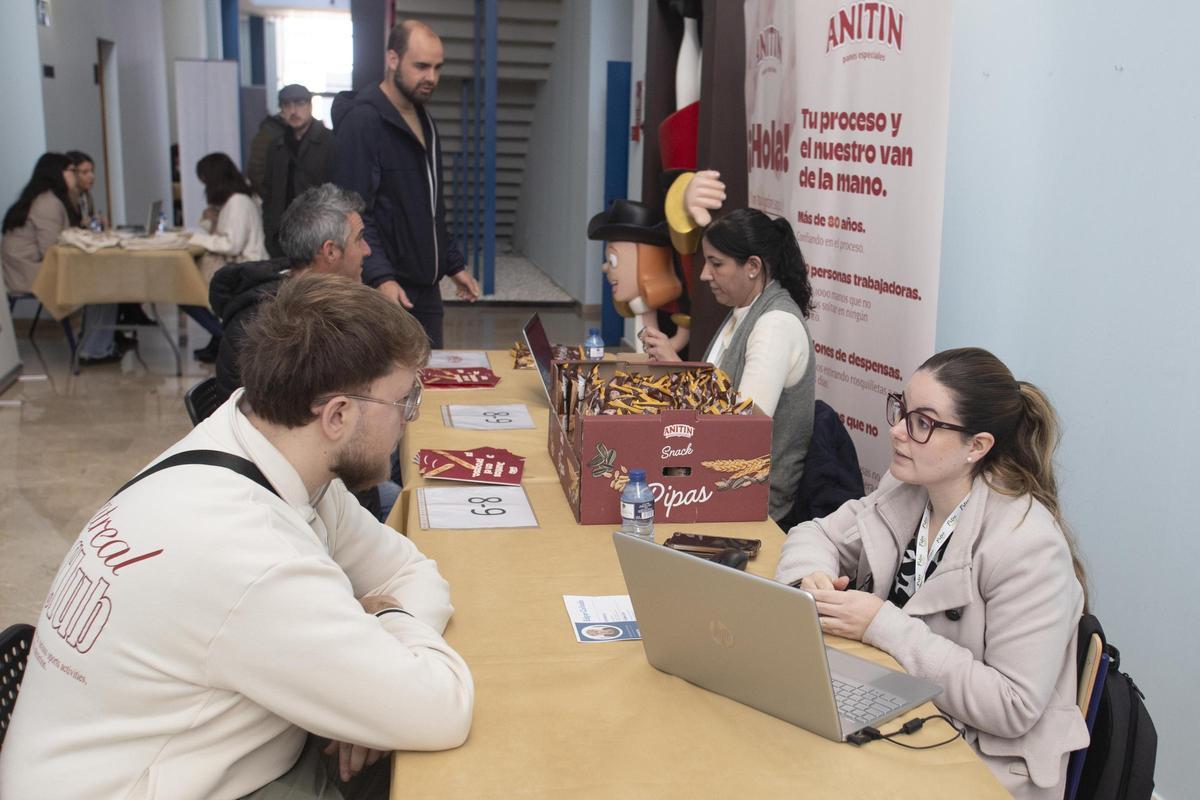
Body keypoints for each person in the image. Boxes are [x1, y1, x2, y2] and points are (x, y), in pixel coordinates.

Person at [0, 274, 475, 800]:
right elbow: (442, 709)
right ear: (337, 415)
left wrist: (378, 686)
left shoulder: (264, 447)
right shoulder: (250, 551)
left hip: (174, 754)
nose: (409, 419)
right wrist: (385, 637)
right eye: (404, 401)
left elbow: (409, 570)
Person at [775, 347, 1090, 799]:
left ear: (977, 447)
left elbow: (1013, 705)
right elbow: (816, 534)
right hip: (902, 708)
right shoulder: (910, 486)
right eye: (902, 410)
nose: (897, 431)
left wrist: (880, 624)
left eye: (923, 423)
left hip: (982, 763)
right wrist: (811, 577)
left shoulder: (1029, 547)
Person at [642, 203, 815, 522]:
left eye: (716, 264)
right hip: (723, 480)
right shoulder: (746, 310)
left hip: (754, 500)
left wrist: (679, 372)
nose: (704, 274)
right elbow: (720, 400)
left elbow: (740, 430)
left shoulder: (774, 325)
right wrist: (676, 366)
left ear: (753, 266)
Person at [332, 19, 480, 348]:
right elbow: (352, 213)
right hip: (386, 290)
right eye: (422, 66)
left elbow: (431, 207)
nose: (432, 77)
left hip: (425, 289)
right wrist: (381, 277)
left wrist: (452, 263)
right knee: (393, 379)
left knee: (431, 374)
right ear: (393, 59)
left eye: (437, 68)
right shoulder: (363, 121)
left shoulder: (423, 117)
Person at [2, 153, 124, 365]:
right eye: (72, 171)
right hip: (30, 275)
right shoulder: (47, 203)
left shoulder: (47, 199)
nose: (76, 175)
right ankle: (94, 349)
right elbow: (53, 250)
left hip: (29, 269)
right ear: (57, 173)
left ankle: (96, 344)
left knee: (105, 278)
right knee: (105, 283)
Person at [189, 152, 268, 362]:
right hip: (242, 267)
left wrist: (196, 239)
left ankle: (222, 336)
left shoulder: (238, 202)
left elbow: (232, 245)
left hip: (244, 269)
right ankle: (219, 338)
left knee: (187, 292)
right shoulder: (237, 200)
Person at [262, 83, 336, 258]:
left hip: (319, 233)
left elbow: (338, 190)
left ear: (310, 106)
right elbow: (269, 191)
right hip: (281, 235)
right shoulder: (276, 146)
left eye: (299, 104)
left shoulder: (330, 142)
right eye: (287, 105)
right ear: (281, 110)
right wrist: (270, 230)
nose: (293, 111)